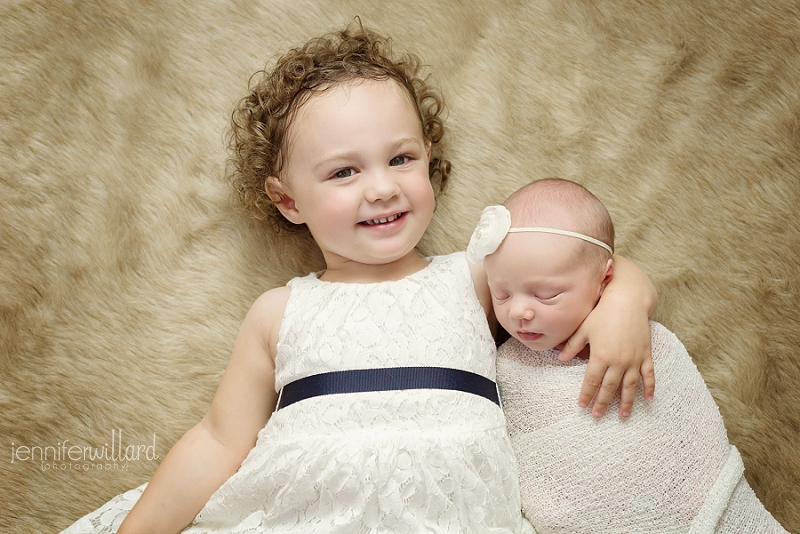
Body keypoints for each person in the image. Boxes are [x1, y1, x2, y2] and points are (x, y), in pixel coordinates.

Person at [63, 25, 657, 534]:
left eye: (400, 159)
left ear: (429, 157)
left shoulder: (476, 276)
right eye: (344, 171)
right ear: (288, 199)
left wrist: (625, 303)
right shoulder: (279, 311)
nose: (381, 187)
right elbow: (220, 440)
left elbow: (585, 255)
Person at [468, 178, 789, 533]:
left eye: (545, 295)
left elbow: (682, 427)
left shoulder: (637, 333)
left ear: (604, 280)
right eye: (502, 294)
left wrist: (625, 306)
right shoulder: (507, 368)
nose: (519, 312)